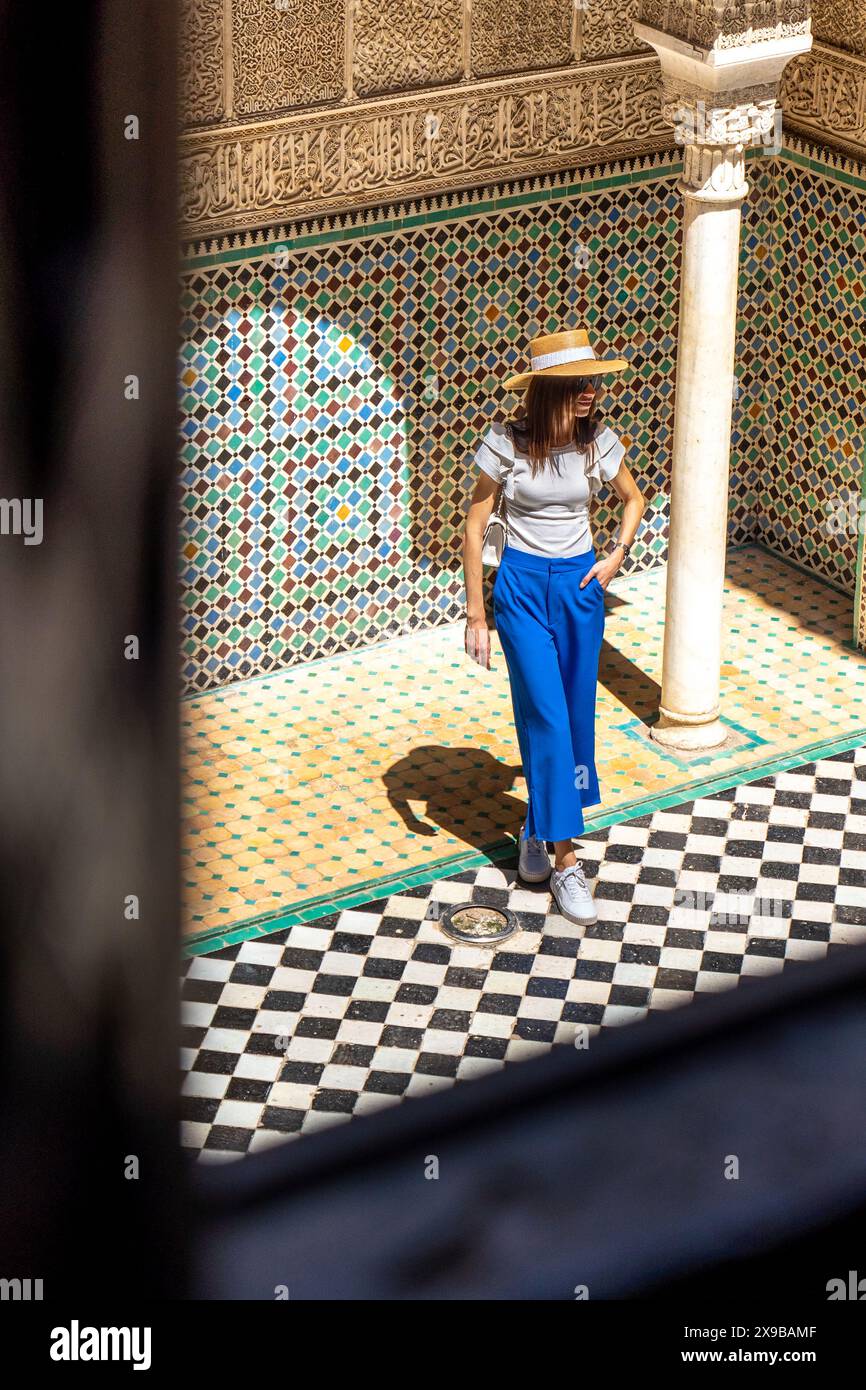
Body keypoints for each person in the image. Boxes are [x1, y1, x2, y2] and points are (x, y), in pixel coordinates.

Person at [463, 326, 646, 924]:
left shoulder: (598, 441)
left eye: (593, 380)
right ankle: (567, 863)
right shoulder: (506, 443)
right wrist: (476, 612)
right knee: (544, 714)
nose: (591, 391)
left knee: (573, 717)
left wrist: (616, 554)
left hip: (579, 587)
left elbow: (634, 499)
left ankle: (539, 827)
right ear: (546, 389)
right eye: (577, 383)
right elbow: (473, 526)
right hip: (519, 587)